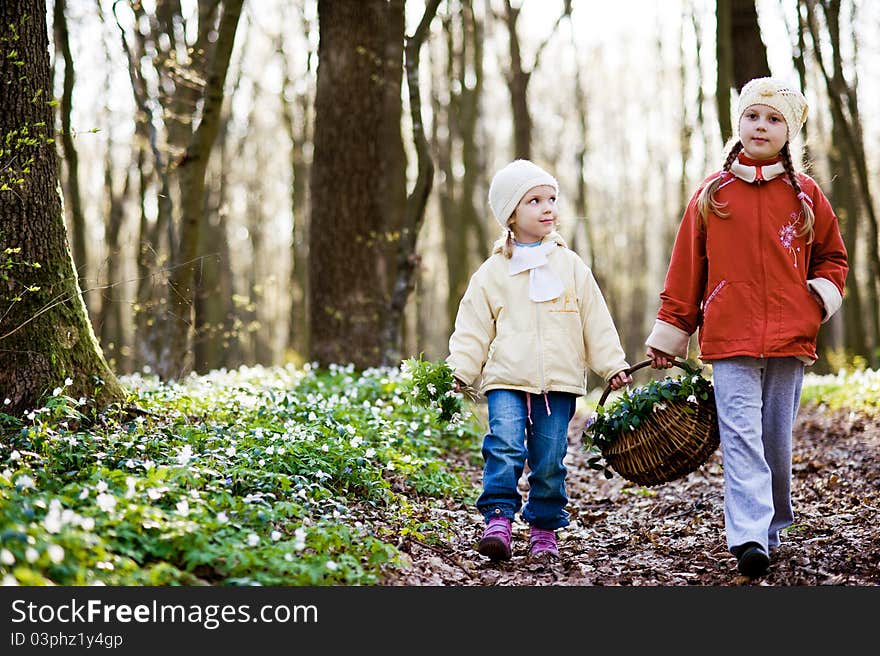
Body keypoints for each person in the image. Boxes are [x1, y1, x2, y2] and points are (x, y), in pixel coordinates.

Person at [645, 77, 849, 578]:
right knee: (740, 438)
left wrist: (815, 299)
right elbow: (685, 270)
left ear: (790, 133)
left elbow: (833, 257)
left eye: (774, 119)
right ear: (738, 123)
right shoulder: (712, 195)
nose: (762, 126)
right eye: (753, 116)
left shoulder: (806, 196)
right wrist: (673, 330)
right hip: (729, 335)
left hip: (788, 336)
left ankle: (773, 523)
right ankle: (749, 535)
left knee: (774, 439)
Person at [446, 159, 632, 561]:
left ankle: (544, 527)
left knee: (549, 459)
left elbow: (594, 319)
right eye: (535, 201)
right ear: (511, 213)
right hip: (507, 380)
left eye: (551, 199)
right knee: (505, 446)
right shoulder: (493, 272)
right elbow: (473, 327)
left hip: (560, 383)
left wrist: (612, 364)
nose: (548, 208)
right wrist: (460, 371)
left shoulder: (570, 266)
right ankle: (498, 516)